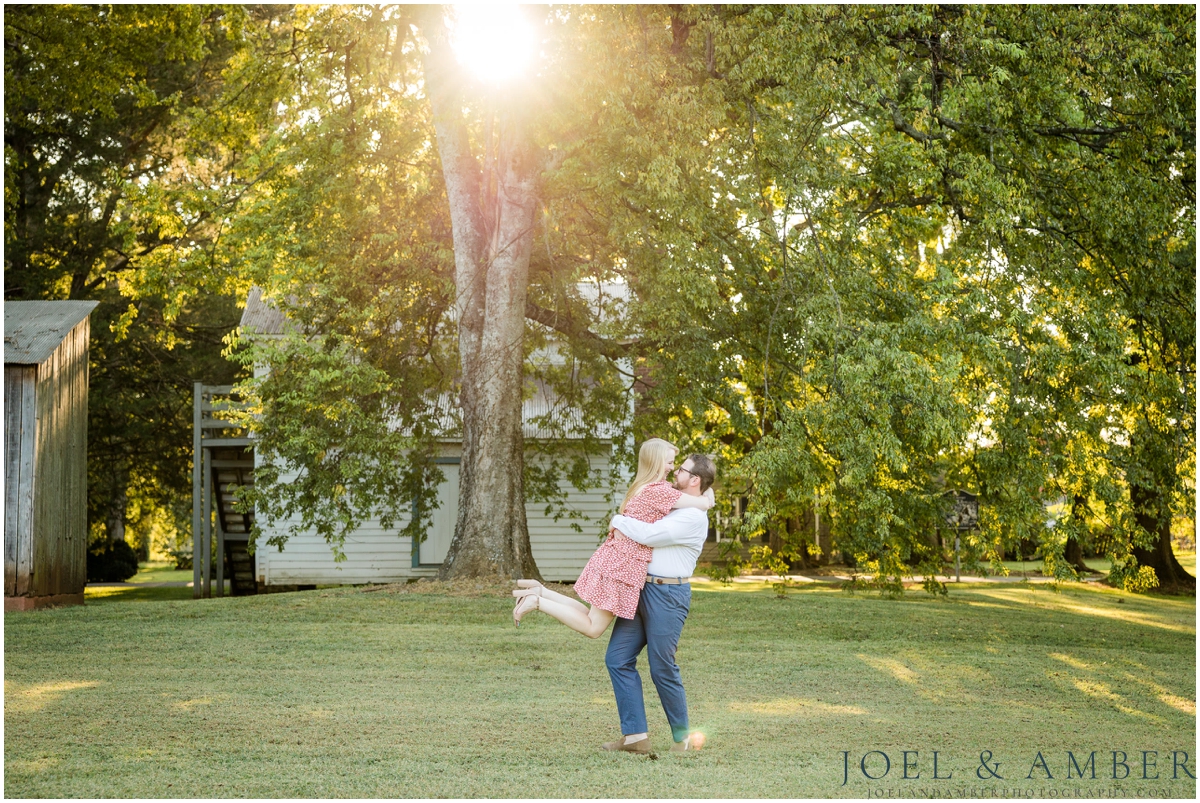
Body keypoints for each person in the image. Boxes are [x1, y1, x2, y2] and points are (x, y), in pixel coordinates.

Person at [511, 438, 713, 636]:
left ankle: (540, 592)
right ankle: (537, 601)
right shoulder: (660, 491)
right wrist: (707, 495)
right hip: (624, 563)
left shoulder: (647, 486)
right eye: (669, 462)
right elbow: (704, 503)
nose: (673, 468)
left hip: (616, 557)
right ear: (657, 462)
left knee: (590, 615)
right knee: (593, 627)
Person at [599, 453, 714, 754]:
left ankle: (683, 738)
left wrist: (618, 520)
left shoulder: (693, 517)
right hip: (642, 589)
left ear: (695, 480)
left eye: (682, 469)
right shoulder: (677, 503)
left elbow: (649, 535)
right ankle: (635, 737)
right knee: (617, 658)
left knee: (662, 666)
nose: (675, 472)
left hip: (668, 595)